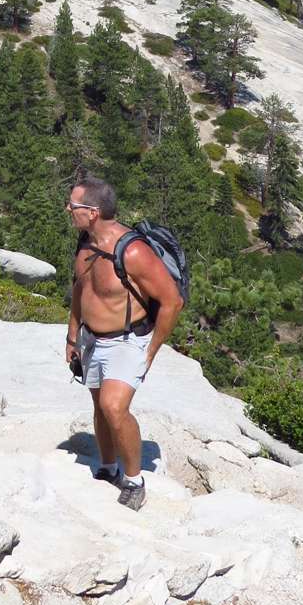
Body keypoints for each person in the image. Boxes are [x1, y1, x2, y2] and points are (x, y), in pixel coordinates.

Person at [65, 175, 183, 511]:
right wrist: (73, 336)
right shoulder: (86, 243)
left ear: (92, 212)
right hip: (92, 339)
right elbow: (81, 289)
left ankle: (134, 480)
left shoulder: (132, 252)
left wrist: (152, 349)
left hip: (127, 341)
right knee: (100, 406)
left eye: (73, 206)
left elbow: (172, 302)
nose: (68, 210)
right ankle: (107, 467)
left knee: (114, 407)